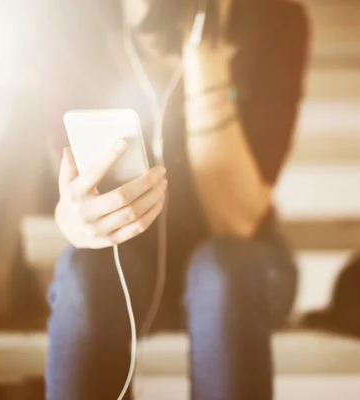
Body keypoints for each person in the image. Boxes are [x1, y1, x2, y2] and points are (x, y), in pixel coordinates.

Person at [40, 0, 309, 399]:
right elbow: (69, 178)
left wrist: (207, 61)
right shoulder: (71, 18)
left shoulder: (275, 19)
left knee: (223, 271)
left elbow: (234, 222)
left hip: (241, 270)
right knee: (86, 269)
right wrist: (73, 219)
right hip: (127, 267)